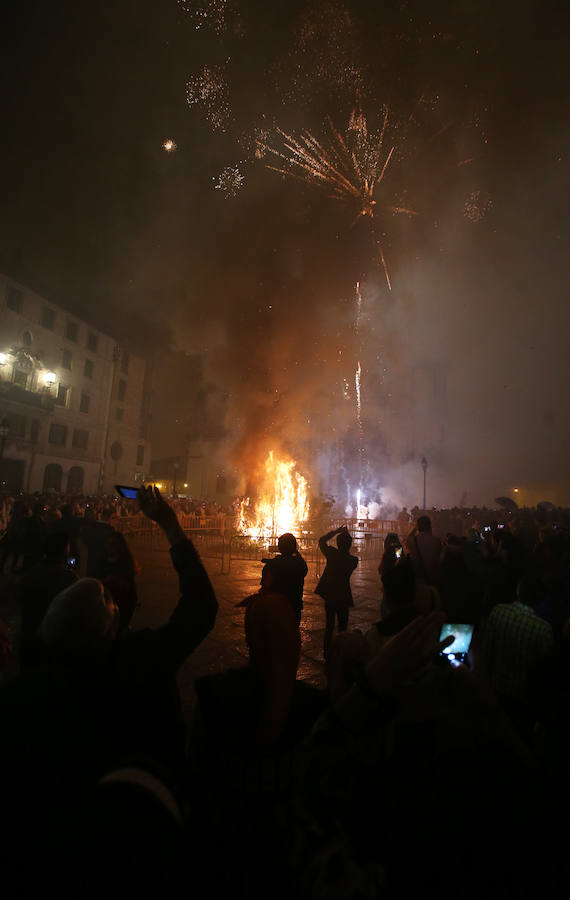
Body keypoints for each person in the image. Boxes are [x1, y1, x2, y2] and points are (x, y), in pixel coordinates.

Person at [0, 485, 218, 858]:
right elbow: (200, 606)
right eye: (111, 608)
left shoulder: (23, 697)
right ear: (108, 630)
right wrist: (170, 526)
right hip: (144, 837)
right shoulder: (141, 660)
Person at [18, 531, 79, 669]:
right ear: (65, 550)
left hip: (30, 639)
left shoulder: (30, 574)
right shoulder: (69, 578)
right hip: (55, 643)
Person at [316, 525, 359, 658]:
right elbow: (346, 546)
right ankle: (341, 653)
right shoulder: (353, 560)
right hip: (343, 594)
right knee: (343, 626)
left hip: (330, 593)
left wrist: (336, 532)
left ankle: (327, 652)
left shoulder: (332, 554)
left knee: (329, 625)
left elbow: (321, 541)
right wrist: (346, 535)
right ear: (349, 544)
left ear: (338, 543)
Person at [262, 533, 308, 624]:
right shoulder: (300, 565)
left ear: (279, 547)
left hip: (276, 607)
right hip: (294, 606)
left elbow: (265, 587)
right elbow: (301, 567)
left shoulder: (272, 565)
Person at [100, 530, 140, 631]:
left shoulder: (126, 563)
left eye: (113, 544)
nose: (110, 547)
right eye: (108, 544)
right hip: (105, 604)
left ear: (120, 546)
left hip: (122, 602)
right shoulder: (101, 562)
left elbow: (130, 590)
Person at [406, 514, 442, 586]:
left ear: (418, 526)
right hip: (432, 576)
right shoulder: (437, 540)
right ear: (429, 526)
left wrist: (415, 528)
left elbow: (409, 537)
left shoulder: (412, 540)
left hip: (417, 575)